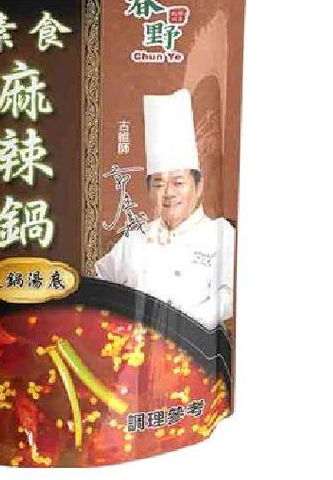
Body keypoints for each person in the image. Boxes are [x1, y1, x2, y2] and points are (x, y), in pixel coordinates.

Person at [95, 89, 235, 330]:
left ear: (199, 186)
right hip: (134, 348)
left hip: (194, 346)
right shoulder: (134, 238)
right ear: (149, 191)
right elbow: (99, 283)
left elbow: (230, 296)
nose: (168, 192)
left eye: (178, 183)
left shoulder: (221, 233)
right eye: (159, 184)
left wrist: (181, 324)